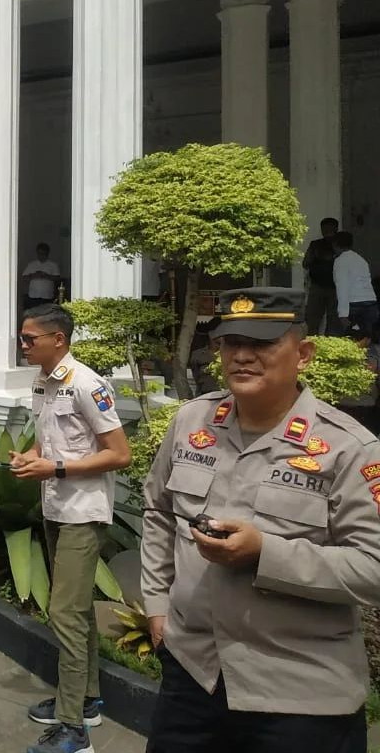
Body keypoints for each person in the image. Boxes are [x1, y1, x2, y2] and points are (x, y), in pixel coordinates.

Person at [141, 287, 380, 753]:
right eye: (232, 342)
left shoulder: (350, 449)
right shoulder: (192, 422)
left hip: (299, 692)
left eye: (263, 343)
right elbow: (158, 511)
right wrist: (156, 605)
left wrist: (265, 554)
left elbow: (374, 568)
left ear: (304, 354)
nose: (243, 356)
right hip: (194, 676)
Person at [9, 304, 131, 753]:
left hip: (83, 512)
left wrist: (55, 467)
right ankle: (87, 700)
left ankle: (73, 729)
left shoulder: (86, 383)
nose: (23, 345)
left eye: (29, 339)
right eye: (22, 338)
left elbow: (120, 454)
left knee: (63, 612)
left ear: (58, 339)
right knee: (76, 612)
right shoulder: (43, 381)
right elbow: (48, 439)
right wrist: (30, 458)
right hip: (57, 507)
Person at [333, 231, 379, 336]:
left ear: (335, 244)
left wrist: (343, 314)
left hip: (354, 305)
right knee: (367, 339)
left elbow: (342, 287)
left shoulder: (340, 261)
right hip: (371, 303)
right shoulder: (361, 260)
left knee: (352, 339)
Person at [303, 217, 340, 334]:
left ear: (336, 229)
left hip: (336, 287)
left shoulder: (340, 245)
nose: (327, 231)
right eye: (325, 229)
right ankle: (311, 342)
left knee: (334, 319)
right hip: (317, 286)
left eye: (330, 228)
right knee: (312, 317)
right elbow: (305, 263)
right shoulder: (315, 244)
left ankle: (331, 345)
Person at [21, 243, 62, 309]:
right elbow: (24, 277)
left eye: (43, 254)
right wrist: (35, 275)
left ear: (47, 254)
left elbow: (57, 278)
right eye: (39, 253)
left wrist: (45, 276)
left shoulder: (53, 265)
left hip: (47, 296)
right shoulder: (32, 264)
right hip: (33, 296)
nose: (41, 256)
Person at [189, 317, 221, 396]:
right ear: (210, 333)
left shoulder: (229, 354)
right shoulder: (198, 355)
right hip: (205, 396)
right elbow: (197, 377)